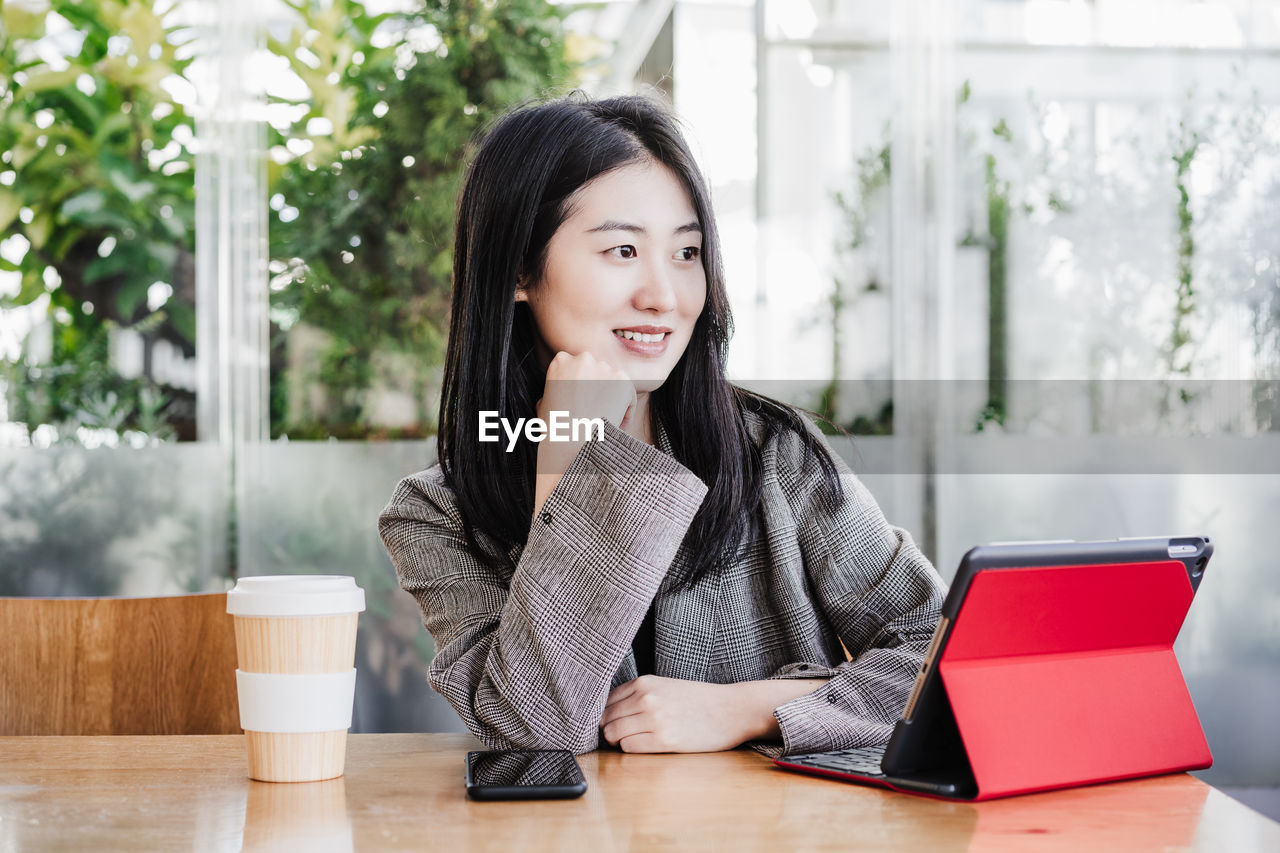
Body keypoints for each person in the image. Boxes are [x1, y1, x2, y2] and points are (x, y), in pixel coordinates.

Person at [378, 92, 945, 758]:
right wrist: (569, 465)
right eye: (622, 250)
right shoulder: (437, 512)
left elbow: (944, 654)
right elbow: (533, 732)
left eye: (686, 253)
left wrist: (748, 708)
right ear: (520, 270)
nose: (665, 295)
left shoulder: (772, 453)